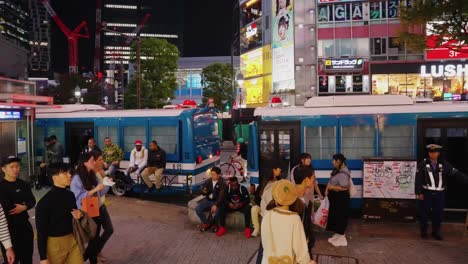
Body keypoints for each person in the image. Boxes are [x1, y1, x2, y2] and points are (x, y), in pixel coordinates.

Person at [415, 144, 468, 240]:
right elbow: (418, 179)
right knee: (424, 213)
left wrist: (465, 179)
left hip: (440, 193)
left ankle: (436, 232)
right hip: (426, 193)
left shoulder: (444, 164)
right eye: (431, 152)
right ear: (428, 153)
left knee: (438, 213)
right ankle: (423, 232)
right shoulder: (423, 163)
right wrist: (419, 193)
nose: (432, 154)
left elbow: (455, 173)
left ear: (438, 153)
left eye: (435, 152)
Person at [35, 163, 84, 264]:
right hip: (54, 244)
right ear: (54, 177)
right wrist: (43, 257)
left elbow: (74, 216)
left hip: (72, 239)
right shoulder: (44, 203)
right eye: (65, 173)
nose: (70, 175)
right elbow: (41, 232)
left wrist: (79, 214)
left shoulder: (70, 195)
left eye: (69, 172)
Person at [261, 180, 314, 264]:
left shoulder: (267, 214)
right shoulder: (294, 218)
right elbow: (300, 249)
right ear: (293, 198)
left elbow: (265, 241)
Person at [71, 152, 109, 264]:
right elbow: (77, 197)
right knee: (92, 240)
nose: (95, 162)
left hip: (94, 209)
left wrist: (107, 184)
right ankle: (82, 259)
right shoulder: (77, 178)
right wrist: (94, 190)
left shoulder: (92, 174)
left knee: (94, 239)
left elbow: (100, 192)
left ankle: (91, 260)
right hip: (84, 212)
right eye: (92, 160)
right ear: (85, 163)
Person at [0, 156, 36, 264]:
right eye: (12, 167)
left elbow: (32, 201)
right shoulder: (1, 187)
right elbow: (9, 208)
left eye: (17, 166)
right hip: (8, 230)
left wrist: (24, 207)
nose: (15, 169)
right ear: (3, 169)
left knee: (27, 259)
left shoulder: (23, 184)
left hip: (25, 227)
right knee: (11, 260)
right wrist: (25, 204)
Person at [255, 164, 282, 264]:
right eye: (278, 168)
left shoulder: (266, 183)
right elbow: (272, 202)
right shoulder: (273, 185)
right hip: (271, 218)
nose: (280, 169)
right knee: (266, 246)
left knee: (264, 245)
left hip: (265, 217)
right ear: (273, 170)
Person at [91, 151, 114, 262]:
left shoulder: (100, 172)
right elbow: (98, 192)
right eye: (100, 160)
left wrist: (106, 180)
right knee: (96, 233)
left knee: (109, 229)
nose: (102, 162)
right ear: (93, 161)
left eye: (102, 159)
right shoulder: (91, 174)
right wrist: (106, 183)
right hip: (94, 206)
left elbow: (103, 192)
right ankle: (93, 253)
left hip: (101, 204)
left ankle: (96, 251)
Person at [325, 153, 351, 247]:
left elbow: (345, 187)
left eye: (334, 161)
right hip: (336, 197)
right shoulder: (338, 170)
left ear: (338, 161)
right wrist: (328, 188)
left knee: (340, 216)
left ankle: (341, 236)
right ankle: (338, 233)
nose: (332, 163)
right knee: (336, 216)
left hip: (341, 198)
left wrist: (331, 187)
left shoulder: (343, 172)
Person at [293, 165, 316, 259]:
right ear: (306, 180)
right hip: (298, 251)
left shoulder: (305, 197)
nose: (314, 180)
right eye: (313, 177)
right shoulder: (293, 201)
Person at [196, 167, 227, 234]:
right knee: (198, 209)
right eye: (211, 174)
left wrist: (215, 205)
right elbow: (202, 190)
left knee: (216, 212)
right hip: (209, 201)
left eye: (214, 174)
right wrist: (203, 191)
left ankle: (214, 225)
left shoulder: (222, 183)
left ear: (219, 175)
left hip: (218, 202)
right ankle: (206, 223)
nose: (212, 176)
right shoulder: (208, 181)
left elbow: (221, 196)